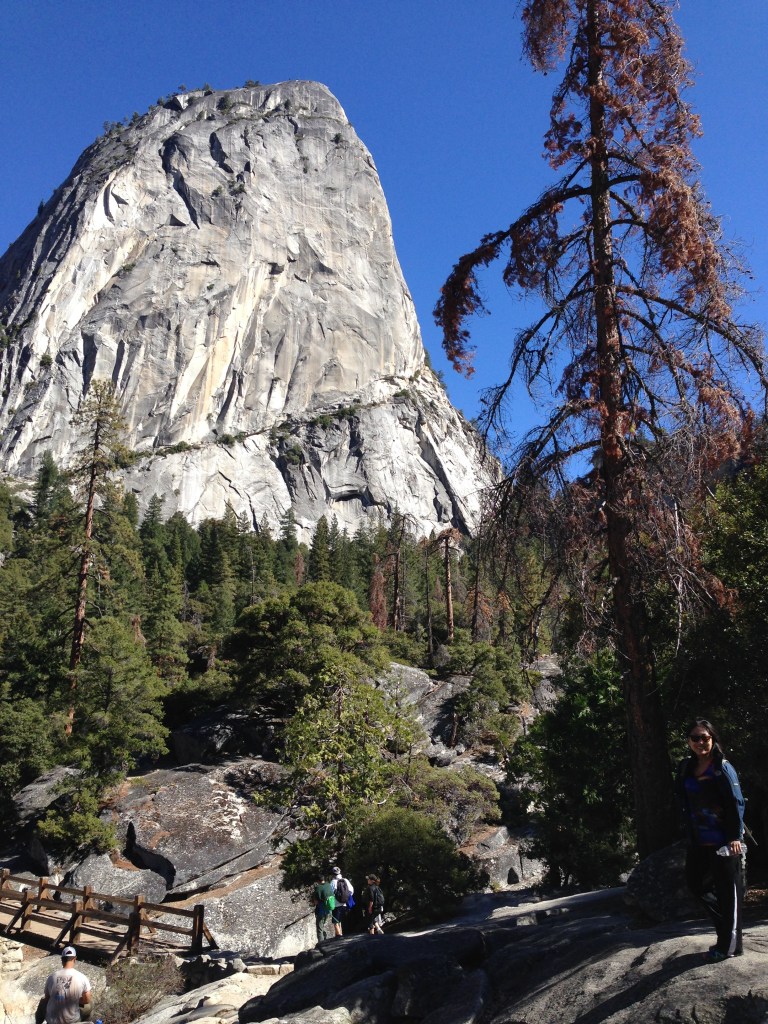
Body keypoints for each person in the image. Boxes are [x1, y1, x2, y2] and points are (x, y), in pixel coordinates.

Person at [675, 718, 745, 962]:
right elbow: (682, 800)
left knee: (728, 893)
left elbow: (737, 802)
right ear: (689, 741)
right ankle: (726, 930)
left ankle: (730, 946)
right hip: (698, 840)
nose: (700, 742)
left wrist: (734, 836)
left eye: (705, 737)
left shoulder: (722, 767)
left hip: (724, 842)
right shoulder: (685, 767)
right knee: (696, 886)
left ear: (713, 739)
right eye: (695, 738)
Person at [41, 946, 92, 1024]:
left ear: (62, 960)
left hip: (52, 1020)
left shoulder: (52, 977)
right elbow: (87, 999)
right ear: (75, 959)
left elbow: (47, 997)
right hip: (71, 1020)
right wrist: (75, 1000)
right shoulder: (82, 977)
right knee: (90, 1004)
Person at [311, 871, 335, 944]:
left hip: (321, 910)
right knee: (323, 925)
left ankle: (321, 944)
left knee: (319, 928)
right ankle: (325, 941)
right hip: (329, 909)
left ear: (318, 880)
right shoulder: (328, 885)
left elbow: (315, 902)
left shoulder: (318, 888)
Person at [330, 865, 354, 937]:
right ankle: (341, 933)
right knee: (340, 920)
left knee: (335, 921)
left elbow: (331, 893)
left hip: (336, 904)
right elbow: (351, 891)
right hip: (345, 904)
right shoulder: (345, 880)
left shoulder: (333, 882)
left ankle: (339, 935)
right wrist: (346, 897)